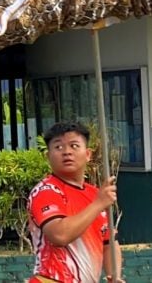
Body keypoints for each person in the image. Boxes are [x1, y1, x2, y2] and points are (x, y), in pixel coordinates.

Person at [26, 121, 123, 283]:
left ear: (88, 154)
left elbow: (109, 243)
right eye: (58, 147)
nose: (67, 152)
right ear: (47, 156)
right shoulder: (46, 191)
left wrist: (115, 275)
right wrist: (98, 204)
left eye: (74, 146)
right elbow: (59, 235)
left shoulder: (95, 194)